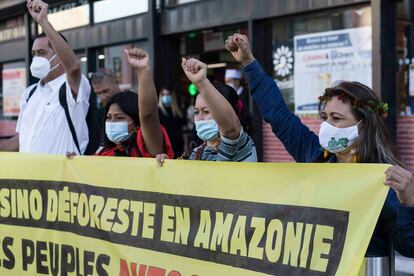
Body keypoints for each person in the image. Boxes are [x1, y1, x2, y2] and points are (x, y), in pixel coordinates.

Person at [224, 33, 414, 258]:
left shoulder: (385, 179)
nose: (327, 125)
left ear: (363, 125)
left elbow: (408, 247)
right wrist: (248, 62)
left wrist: (408, 201)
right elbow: (277, 114)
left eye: (337, 118)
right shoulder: (315, 155)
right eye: (325, 117)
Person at [0, 0, 91, 155]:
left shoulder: (71, 87)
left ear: (59, 56)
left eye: (42, 53)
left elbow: (73, 67)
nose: (36, 58)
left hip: (60, 177)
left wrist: (43, 21)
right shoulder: (29, 93)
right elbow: (23, 138)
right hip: (29, 176)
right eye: (34, 54)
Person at [156, 58, 257, 164]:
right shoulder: (197, 152)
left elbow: (230, 129)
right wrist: (168, 165)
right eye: (196, 112)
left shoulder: (239, 144)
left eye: (206, 111)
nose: (199, 118)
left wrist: (201, 82)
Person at [96, 48, 174, 159]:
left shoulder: (144, 146)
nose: (112, 122)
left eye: (119, 117)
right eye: (109, 117)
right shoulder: (103, 152)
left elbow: (148, 115)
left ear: (136, 123)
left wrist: (143, 71)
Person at [158, 88, 187, 158]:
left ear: (172, 96)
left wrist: (186, 145)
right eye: (163, 94)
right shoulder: (158, 112)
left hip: (179, 144)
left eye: (168, 94)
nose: (166, 96)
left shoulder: (178, 111)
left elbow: (184, 130)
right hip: (165, 145)